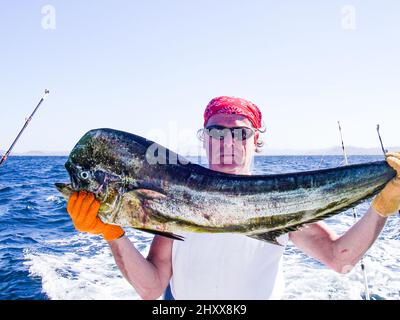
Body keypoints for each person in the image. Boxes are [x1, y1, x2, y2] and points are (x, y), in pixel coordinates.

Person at [66, 96, 400, 300]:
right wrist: (112, 234)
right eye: (216, 132)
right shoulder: (173, 199)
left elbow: (339, 259)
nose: (228, 141)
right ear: (204, 138)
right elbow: (152, 288)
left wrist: (381, 207)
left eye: (240, 132)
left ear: (256, 141)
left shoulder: (282, 202)